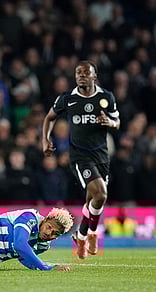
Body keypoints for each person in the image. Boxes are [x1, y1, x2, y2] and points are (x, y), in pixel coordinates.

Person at [41, 61, 120, 259]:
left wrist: (109, 122)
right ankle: (92, 233)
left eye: (86, 72)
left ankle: (80, 234)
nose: (82, 76)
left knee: (93, 199)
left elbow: (117, 122)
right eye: (78, 73)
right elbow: (49, 118)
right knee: (100, 194)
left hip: (101, 155)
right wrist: (45, 139)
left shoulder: (106, 97)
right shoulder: (68, 99)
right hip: (79, 156)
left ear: (95, 76)